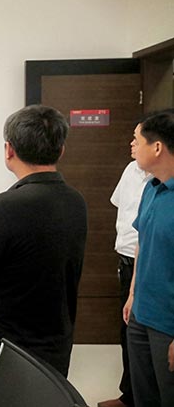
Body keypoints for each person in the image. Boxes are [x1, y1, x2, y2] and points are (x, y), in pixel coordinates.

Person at [0, 104, 88, 395]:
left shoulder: (3, 207)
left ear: (9, 150)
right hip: (55, 344)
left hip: (6, 351)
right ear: (61, 150)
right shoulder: (76, 202)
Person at [122, 109, 174, 407]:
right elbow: (142, 243)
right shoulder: (151, 189)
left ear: (156, 147)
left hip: (168, 322)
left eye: (137, 139)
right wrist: (132, 294)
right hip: (141, 313)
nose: (132, 145)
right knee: (144, 396)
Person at [98, 159, 150, 407]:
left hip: (148, 259)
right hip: (127, 258)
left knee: (147, 332)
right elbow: (121, 207)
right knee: (128, 329)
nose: (132, 144)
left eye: (137, 141)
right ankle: (129, 395)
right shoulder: (131, 169)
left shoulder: (161, 179)